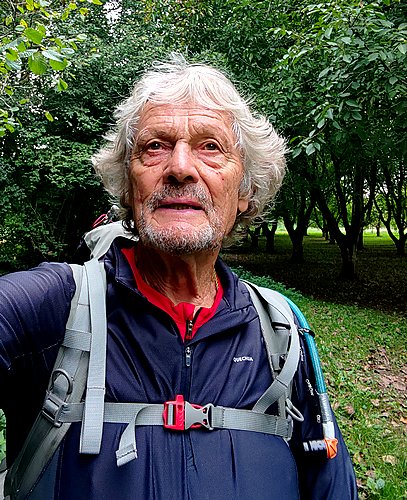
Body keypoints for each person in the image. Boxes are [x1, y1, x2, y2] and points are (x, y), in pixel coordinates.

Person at [0, 55, 357, 499]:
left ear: (245, 192)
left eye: (211, 147)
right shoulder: (52, 307)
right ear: (128, 186)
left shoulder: (280, 333)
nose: (180, 167)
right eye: (155, 146)